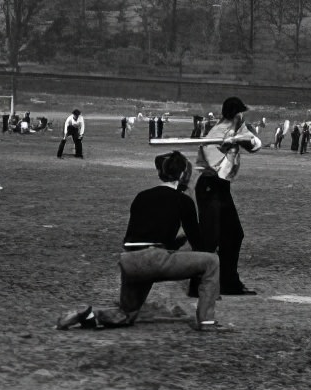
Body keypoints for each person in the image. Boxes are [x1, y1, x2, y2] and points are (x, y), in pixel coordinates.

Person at [56, 152, 230, 333]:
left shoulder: (141, 196)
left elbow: (144, 232)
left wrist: (173, 243)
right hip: (154, 259)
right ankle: (207, 322)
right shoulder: (183, 200)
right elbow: (198, 243)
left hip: (130, 260)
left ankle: (88, 315)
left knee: (126, 315)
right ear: (181, 175)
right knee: (212, 262)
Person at [191, 96, 263, 296]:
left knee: (233, 234)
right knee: (209, 238)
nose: (243, 116)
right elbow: (222, 171)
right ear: (236, 114)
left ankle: (228, 282)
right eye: (241, 112)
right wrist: (230, 149)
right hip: (209, 186)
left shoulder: (238, 128)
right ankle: (198, 285)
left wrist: (239, 139)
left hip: (222, 188)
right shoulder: (214, 136)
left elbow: (257, 145)